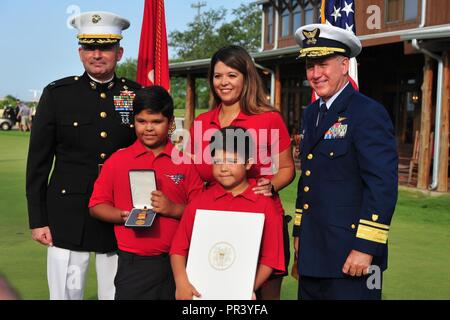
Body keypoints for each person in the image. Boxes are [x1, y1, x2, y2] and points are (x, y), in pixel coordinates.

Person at [26, 11, 142, 300]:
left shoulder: (137, 95)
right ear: (80, 52)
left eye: (105, 47)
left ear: (120, 52)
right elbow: (38, 163)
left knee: (117, 294)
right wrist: (38, 219)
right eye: (90, 47)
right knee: (67, 294)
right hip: (68, 213)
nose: (97, 54)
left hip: (120, 212)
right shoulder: (57, 95)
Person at [292, 24, 398, 300]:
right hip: (313, 253)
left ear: (344, 64)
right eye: (310, 67)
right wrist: (299, 233)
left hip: (352, 257)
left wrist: (366, 247)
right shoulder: (312, 113)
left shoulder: (367, 113)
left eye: (323, 65)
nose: (315, 74)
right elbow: (308, 181)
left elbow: (381, 186)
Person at [186, 45, 295, 300]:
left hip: (260, 222)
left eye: (232, 75)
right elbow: (193, 172)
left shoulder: (269, 118)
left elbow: (287, 168)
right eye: (217, 75)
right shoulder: (202, 122)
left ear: (246, 78)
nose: (223, 82)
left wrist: (271, 185)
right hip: (214, 225)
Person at [89, 86, 203, 300]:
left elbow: (201, 214)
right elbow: (96, 206)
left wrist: (173, 209)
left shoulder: (185, 162)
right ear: (134, 121)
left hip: (179, 263)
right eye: (141, 121)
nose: (148, 128)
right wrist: (123, 216)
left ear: (170, 124)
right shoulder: (117, 161)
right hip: (133, 263)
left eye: (157, 122)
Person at [170, 126, 285, 300]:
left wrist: (246, 288)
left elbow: (271, 258)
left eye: (231, 161)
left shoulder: (265, 205)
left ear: (248, 163)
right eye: (217, 162)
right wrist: (181, 282)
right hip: (201, 294)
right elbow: (178, 248)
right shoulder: (200, 202)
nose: (223, 168)